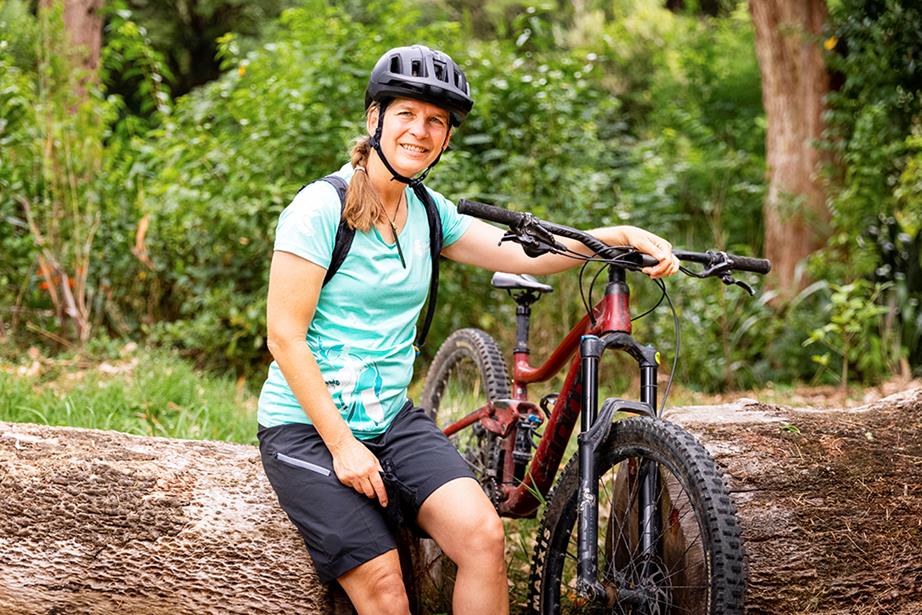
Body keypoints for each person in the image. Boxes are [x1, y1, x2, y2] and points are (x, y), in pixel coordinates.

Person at [256, 44, 680, 615]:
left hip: (389, 417)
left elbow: (532, 255)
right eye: (406, 114)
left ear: (447, 139)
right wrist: (342, 446)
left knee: (483, 537)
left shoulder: (430, 213)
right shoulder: (319, 209)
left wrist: (621, 234)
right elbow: (283, 335)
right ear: (375, 118)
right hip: (306, 427)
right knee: (384, 588)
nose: (420, 131)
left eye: (436, 121)